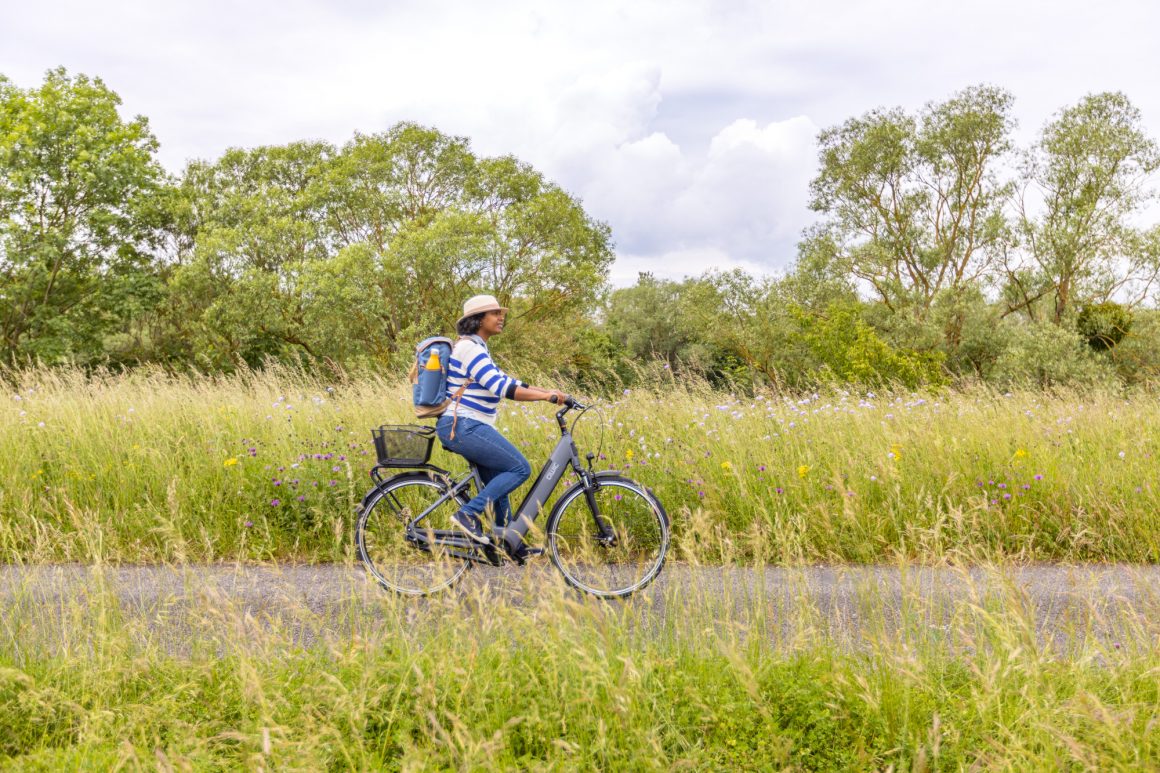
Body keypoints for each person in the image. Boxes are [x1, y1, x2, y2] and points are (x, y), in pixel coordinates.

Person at [435, 294, 568, 559]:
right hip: (462, 425)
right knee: (519, 468)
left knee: (498, 481)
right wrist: (545, 397)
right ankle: (467, 514)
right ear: (477, 320)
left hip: (470, 424)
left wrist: (550, 391)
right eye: (494, 313)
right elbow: (502, 388)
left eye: (500, 312)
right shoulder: (469, 349)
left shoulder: (477, 347)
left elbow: (508, 379)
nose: (501, 317)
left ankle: (505, 542)